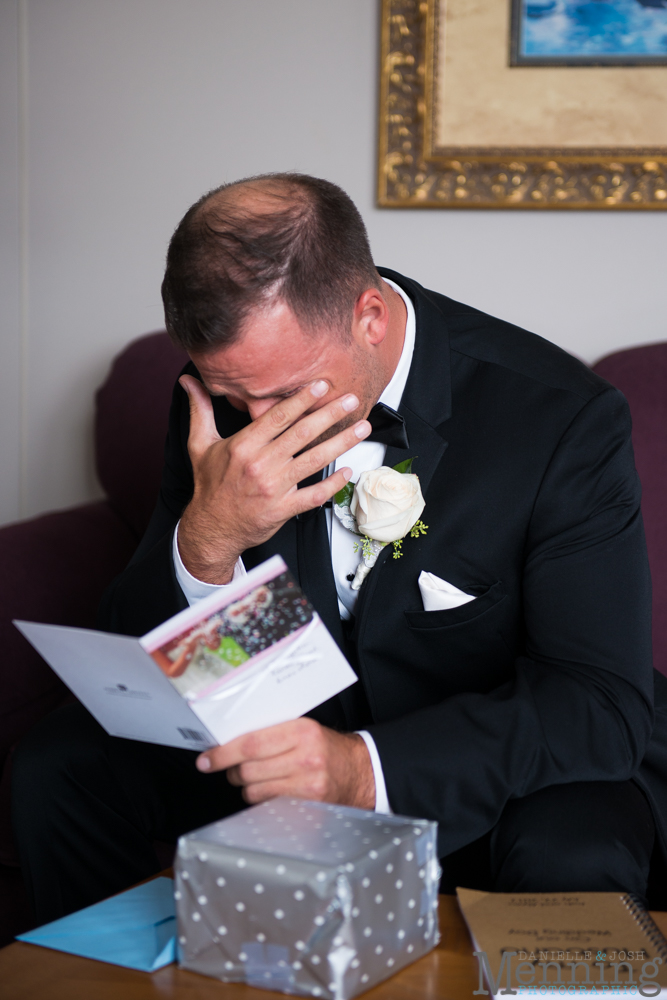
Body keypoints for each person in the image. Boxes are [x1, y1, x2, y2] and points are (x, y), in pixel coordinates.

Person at [12, 173, 667, 924]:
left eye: (287, 392)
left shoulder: (558, 417)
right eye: (234, 398)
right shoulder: (214, 397)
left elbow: (598, 704)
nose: (255, 428)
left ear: (369, 319)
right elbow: (153, 663)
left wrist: (362, 769)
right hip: (284, 729)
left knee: (575, 851)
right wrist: (209, 540)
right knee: (59, 766)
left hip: (482, 764)